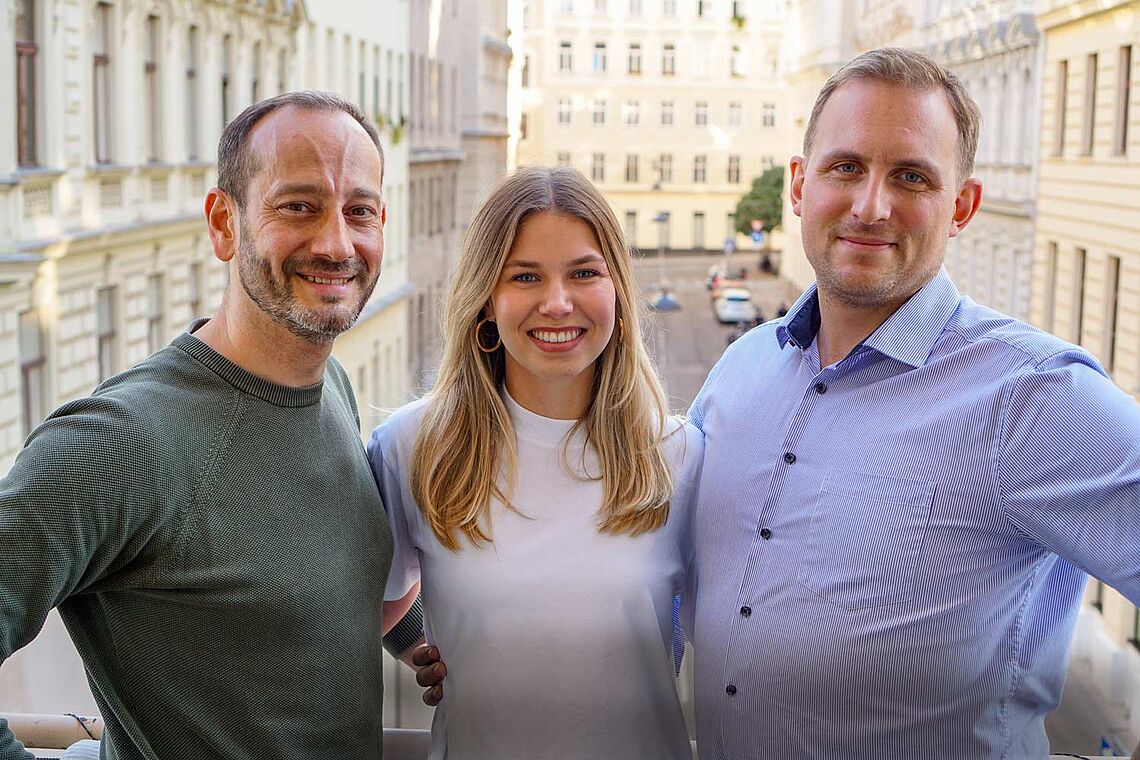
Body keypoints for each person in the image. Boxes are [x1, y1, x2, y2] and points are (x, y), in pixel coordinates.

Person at [686, 47, 1140, 759]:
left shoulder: (1034, 396)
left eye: (911, 176)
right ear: (801, 185)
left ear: (961, 206)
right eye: (846, 167)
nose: (871, 205)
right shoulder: (742, 370)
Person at [0, 91, 424, 760]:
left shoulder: (331, 388)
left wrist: (433, 644)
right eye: (299, 206)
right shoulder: (124, 439)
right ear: (223, 224)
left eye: (359, 211)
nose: (337, 242)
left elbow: (315, 591)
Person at [367, 166, 702, 759]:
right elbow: (360, 608)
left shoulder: (679, 454)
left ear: (618, 294)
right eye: (525, 276)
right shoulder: (413, 447)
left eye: (584, 273)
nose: (557, 302)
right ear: (485, 303)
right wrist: (424, 648)